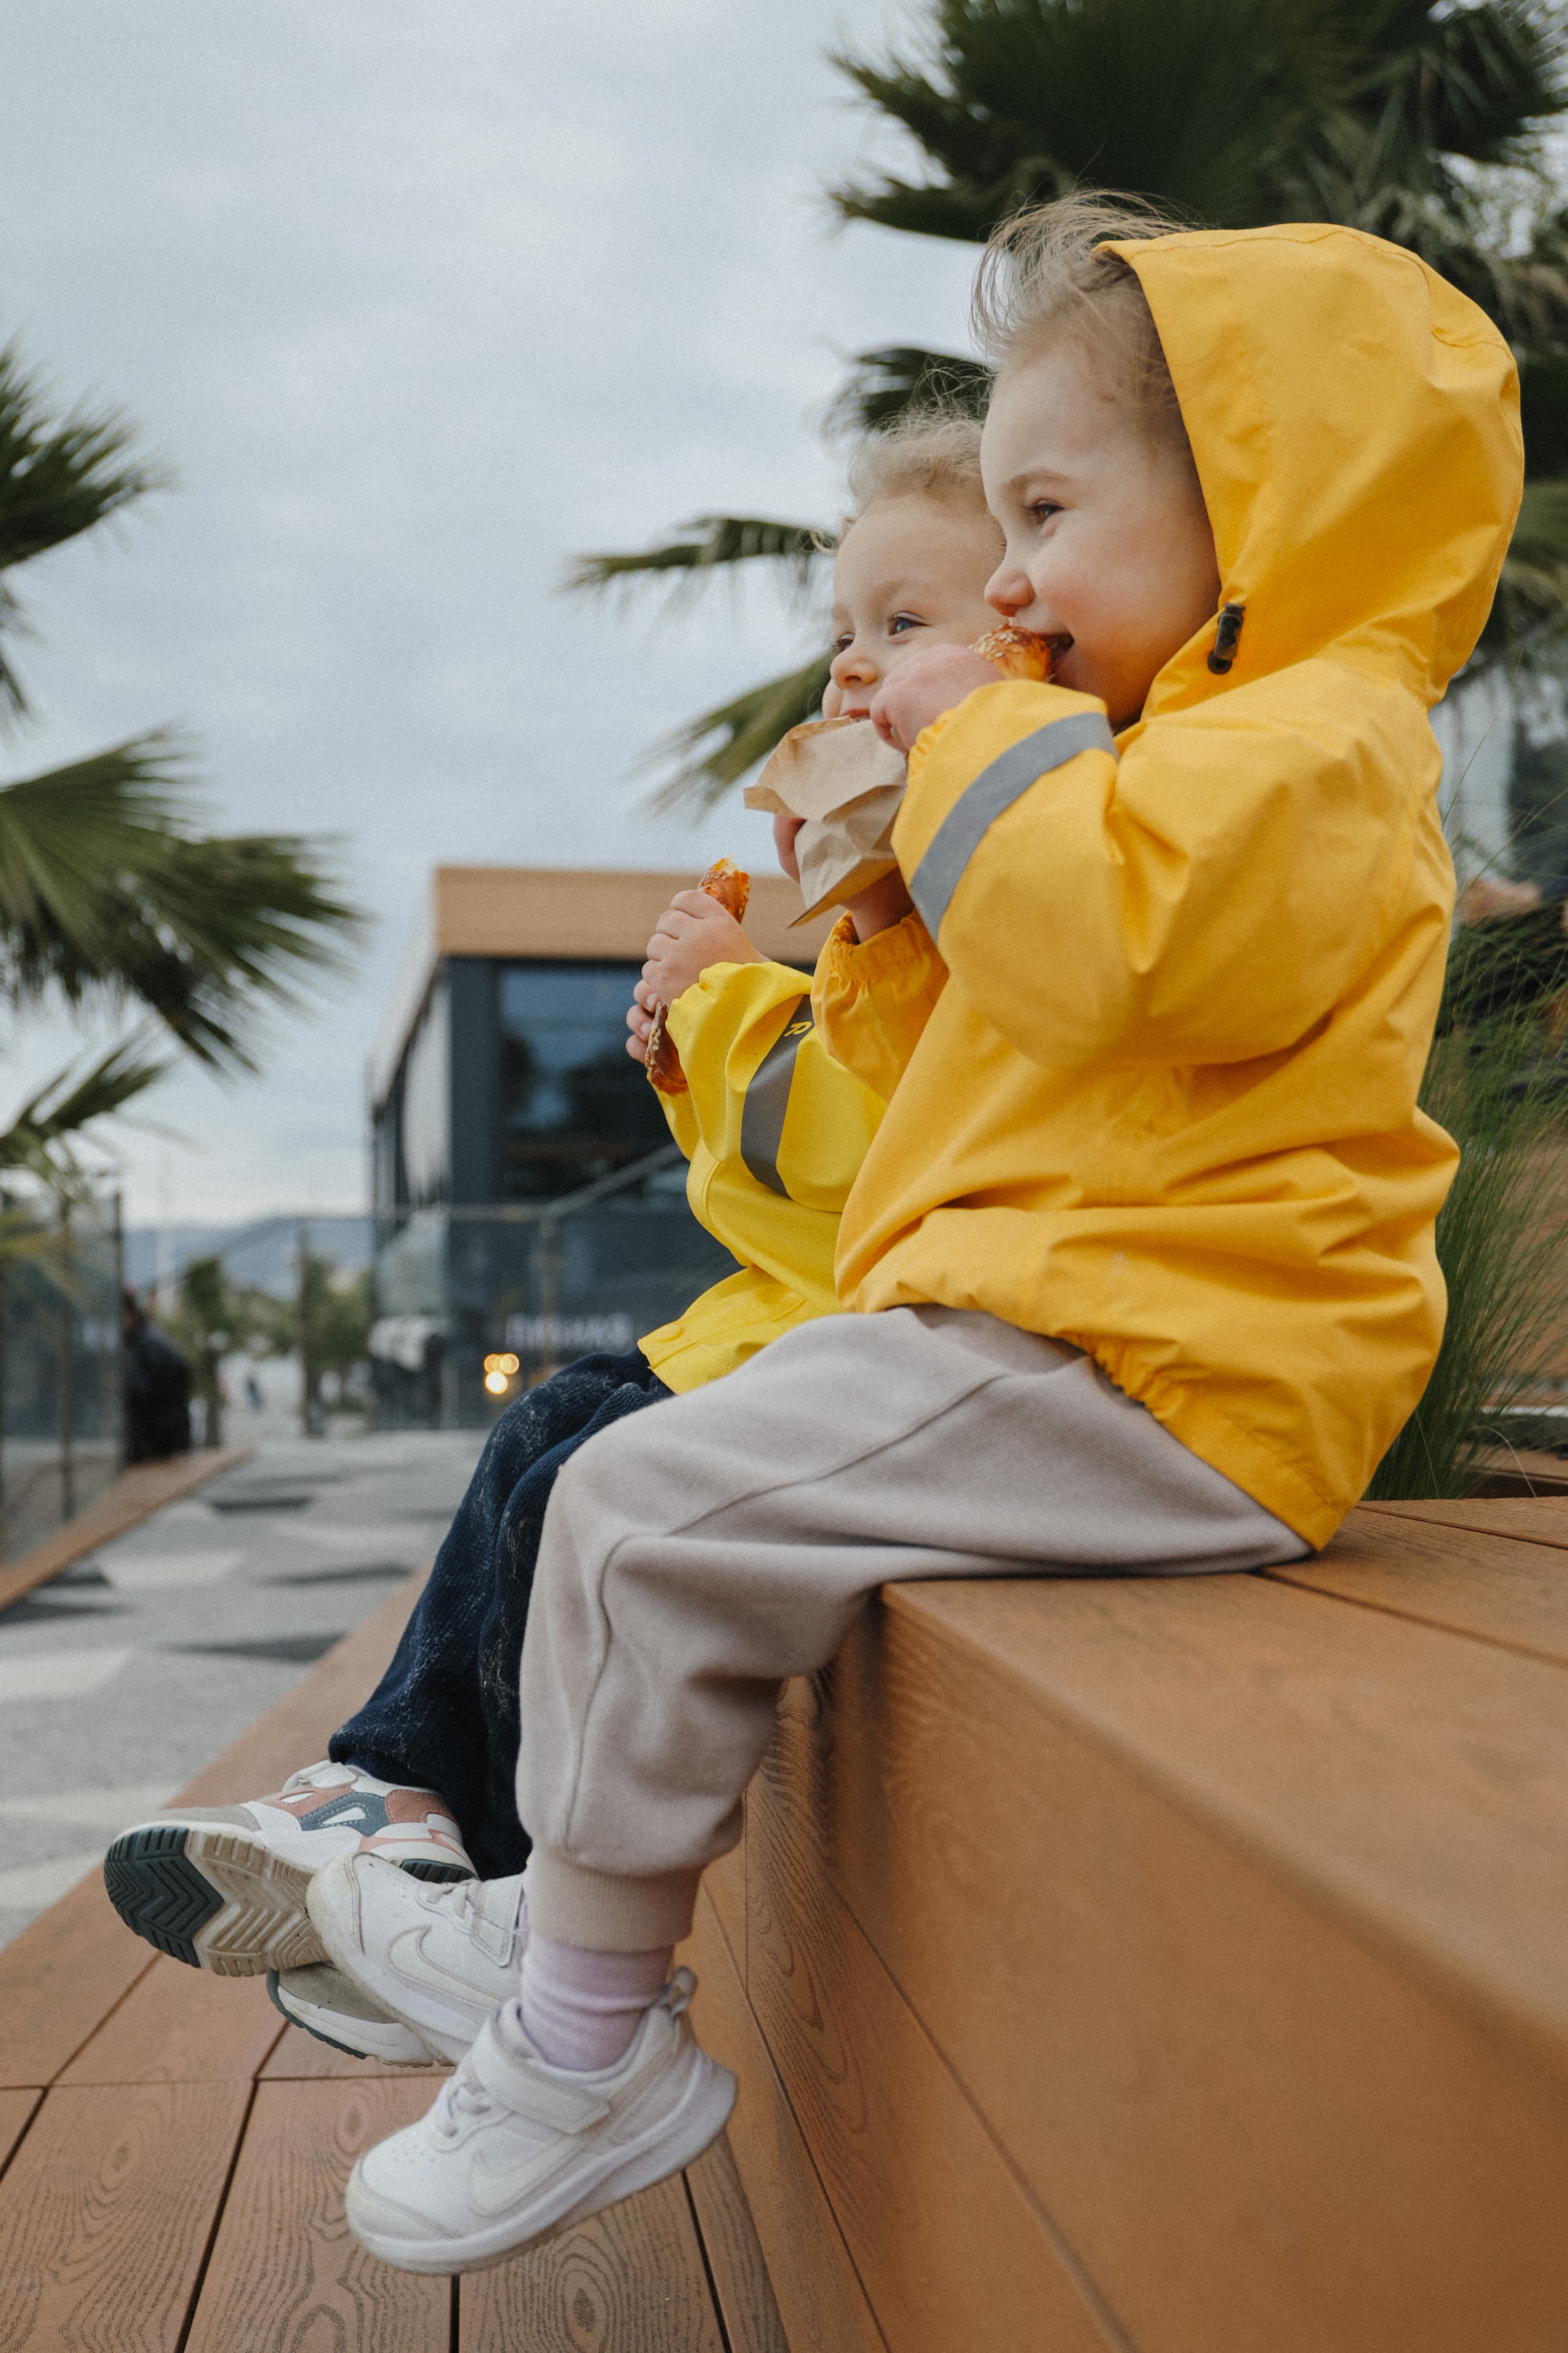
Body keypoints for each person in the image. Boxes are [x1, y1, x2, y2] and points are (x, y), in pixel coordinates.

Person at [300, 193, 1520, 2275]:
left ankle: (590, 2031)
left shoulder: (1316, 746)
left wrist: (987, 750)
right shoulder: (1181, 753)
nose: (1016, 578)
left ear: (1256, 501)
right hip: (1073, 1336)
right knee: (625, 1491)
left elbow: (1111, 955)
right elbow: (1008, 1057)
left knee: (645, 1509)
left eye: (1051, 507)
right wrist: (875, 921)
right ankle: (561, 1925)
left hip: (1160, 1370)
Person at [100, 421, 1008, 2068]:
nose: (851, 679)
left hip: (888, 1356)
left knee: (576, 1469)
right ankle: (393, 1800)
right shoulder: (903, 919)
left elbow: (867, 1165)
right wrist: (719, 1019)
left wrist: (735, 997)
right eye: (839, 639)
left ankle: (475, 1891)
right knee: (542, 1427)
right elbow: (801, 1174)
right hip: (814, 1327)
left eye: (906, 625)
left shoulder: (996, 901)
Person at [121, 1289, 193, 1464]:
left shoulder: (147, 1344)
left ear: (129, 1314)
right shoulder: (147, 1339)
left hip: (159, 1437)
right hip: (165, 1433)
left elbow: (139, 1392)